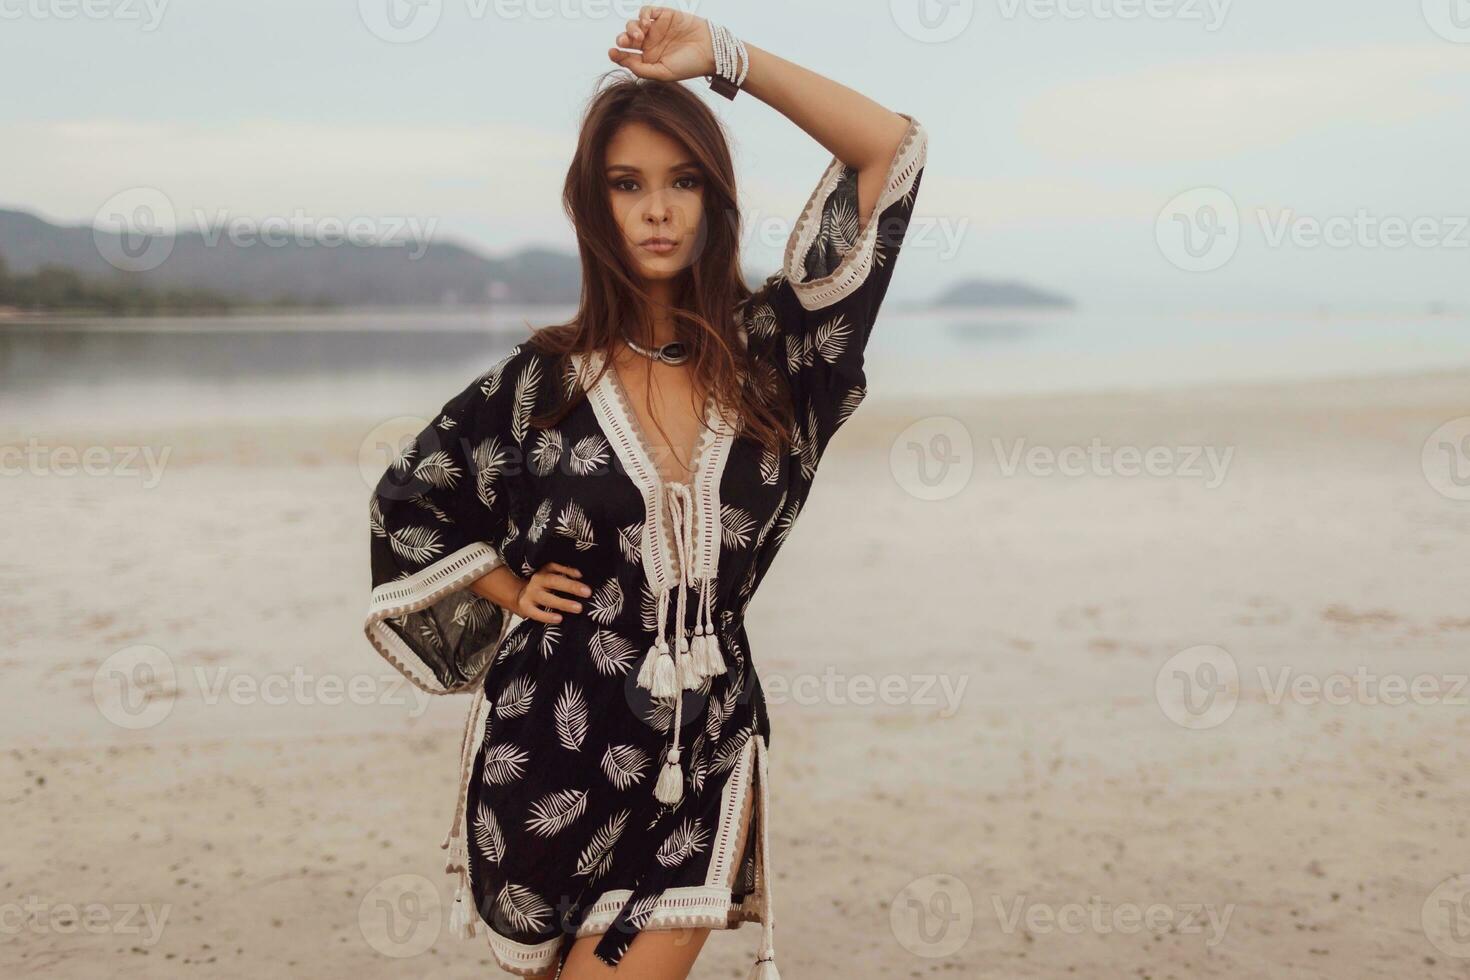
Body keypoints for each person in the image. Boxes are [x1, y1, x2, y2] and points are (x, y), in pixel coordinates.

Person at [364, 7, 928, 978]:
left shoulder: (778, 362)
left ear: (715, 200)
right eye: (628, 185)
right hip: (547, 753)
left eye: (682, 182)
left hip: (701, 754)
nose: (657, 210)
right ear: (595, 207)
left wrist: (727, 59)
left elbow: (892, 149)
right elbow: (410, 497)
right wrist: (506, 590)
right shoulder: (542, 384)